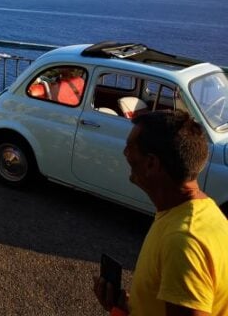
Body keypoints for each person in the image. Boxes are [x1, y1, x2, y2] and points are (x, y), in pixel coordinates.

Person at [93, 110, 228, 315]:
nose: (125, 154)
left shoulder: (183, 242)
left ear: (151, 163)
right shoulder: (203, 211)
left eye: (130, 148)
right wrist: (126, 309)